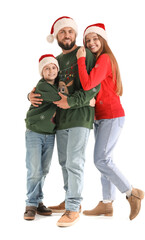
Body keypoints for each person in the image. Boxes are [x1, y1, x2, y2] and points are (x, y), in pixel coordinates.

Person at [28, 16, 100, 227]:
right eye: (62, 32)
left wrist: (72, 102)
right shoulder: (56, 61)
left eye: (70, 31)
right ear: (57, 36)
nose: (67, 35)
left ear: (75, 34)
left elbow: (93, 86)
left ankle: (72, 207)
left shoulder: (84, 54)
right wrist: (29, 95)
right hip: (60, 121)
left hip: (80, 118)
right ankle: (71, 200)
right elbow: (44, 84)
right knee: (64, 163)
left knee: (75, 162)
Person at [75, 23, 144, 220]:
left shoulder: (105, 58)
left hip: (111, 115)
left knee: (101, 160)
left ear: (103, 40)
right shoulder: (98, 61)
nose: (91, 43)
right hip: (102, 116)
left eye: (95, 39)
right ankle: (106, 204)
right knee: (106, 161)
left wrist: (80, 60)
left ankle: (132, 193)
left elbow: (88, 83)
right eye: (88, 41)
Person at [24, 54, 62, 220]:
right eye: (47, 68)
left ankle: (38, 201)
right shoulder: (43, 87)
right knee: (34, 169)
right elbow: (60, 99)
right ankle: (31, 204)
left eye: (54, 67)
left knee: (43, 170)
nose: (51, 70)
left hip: (50, 133)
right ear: (42, 72)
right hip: (35, 132)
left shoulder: (57, 84)